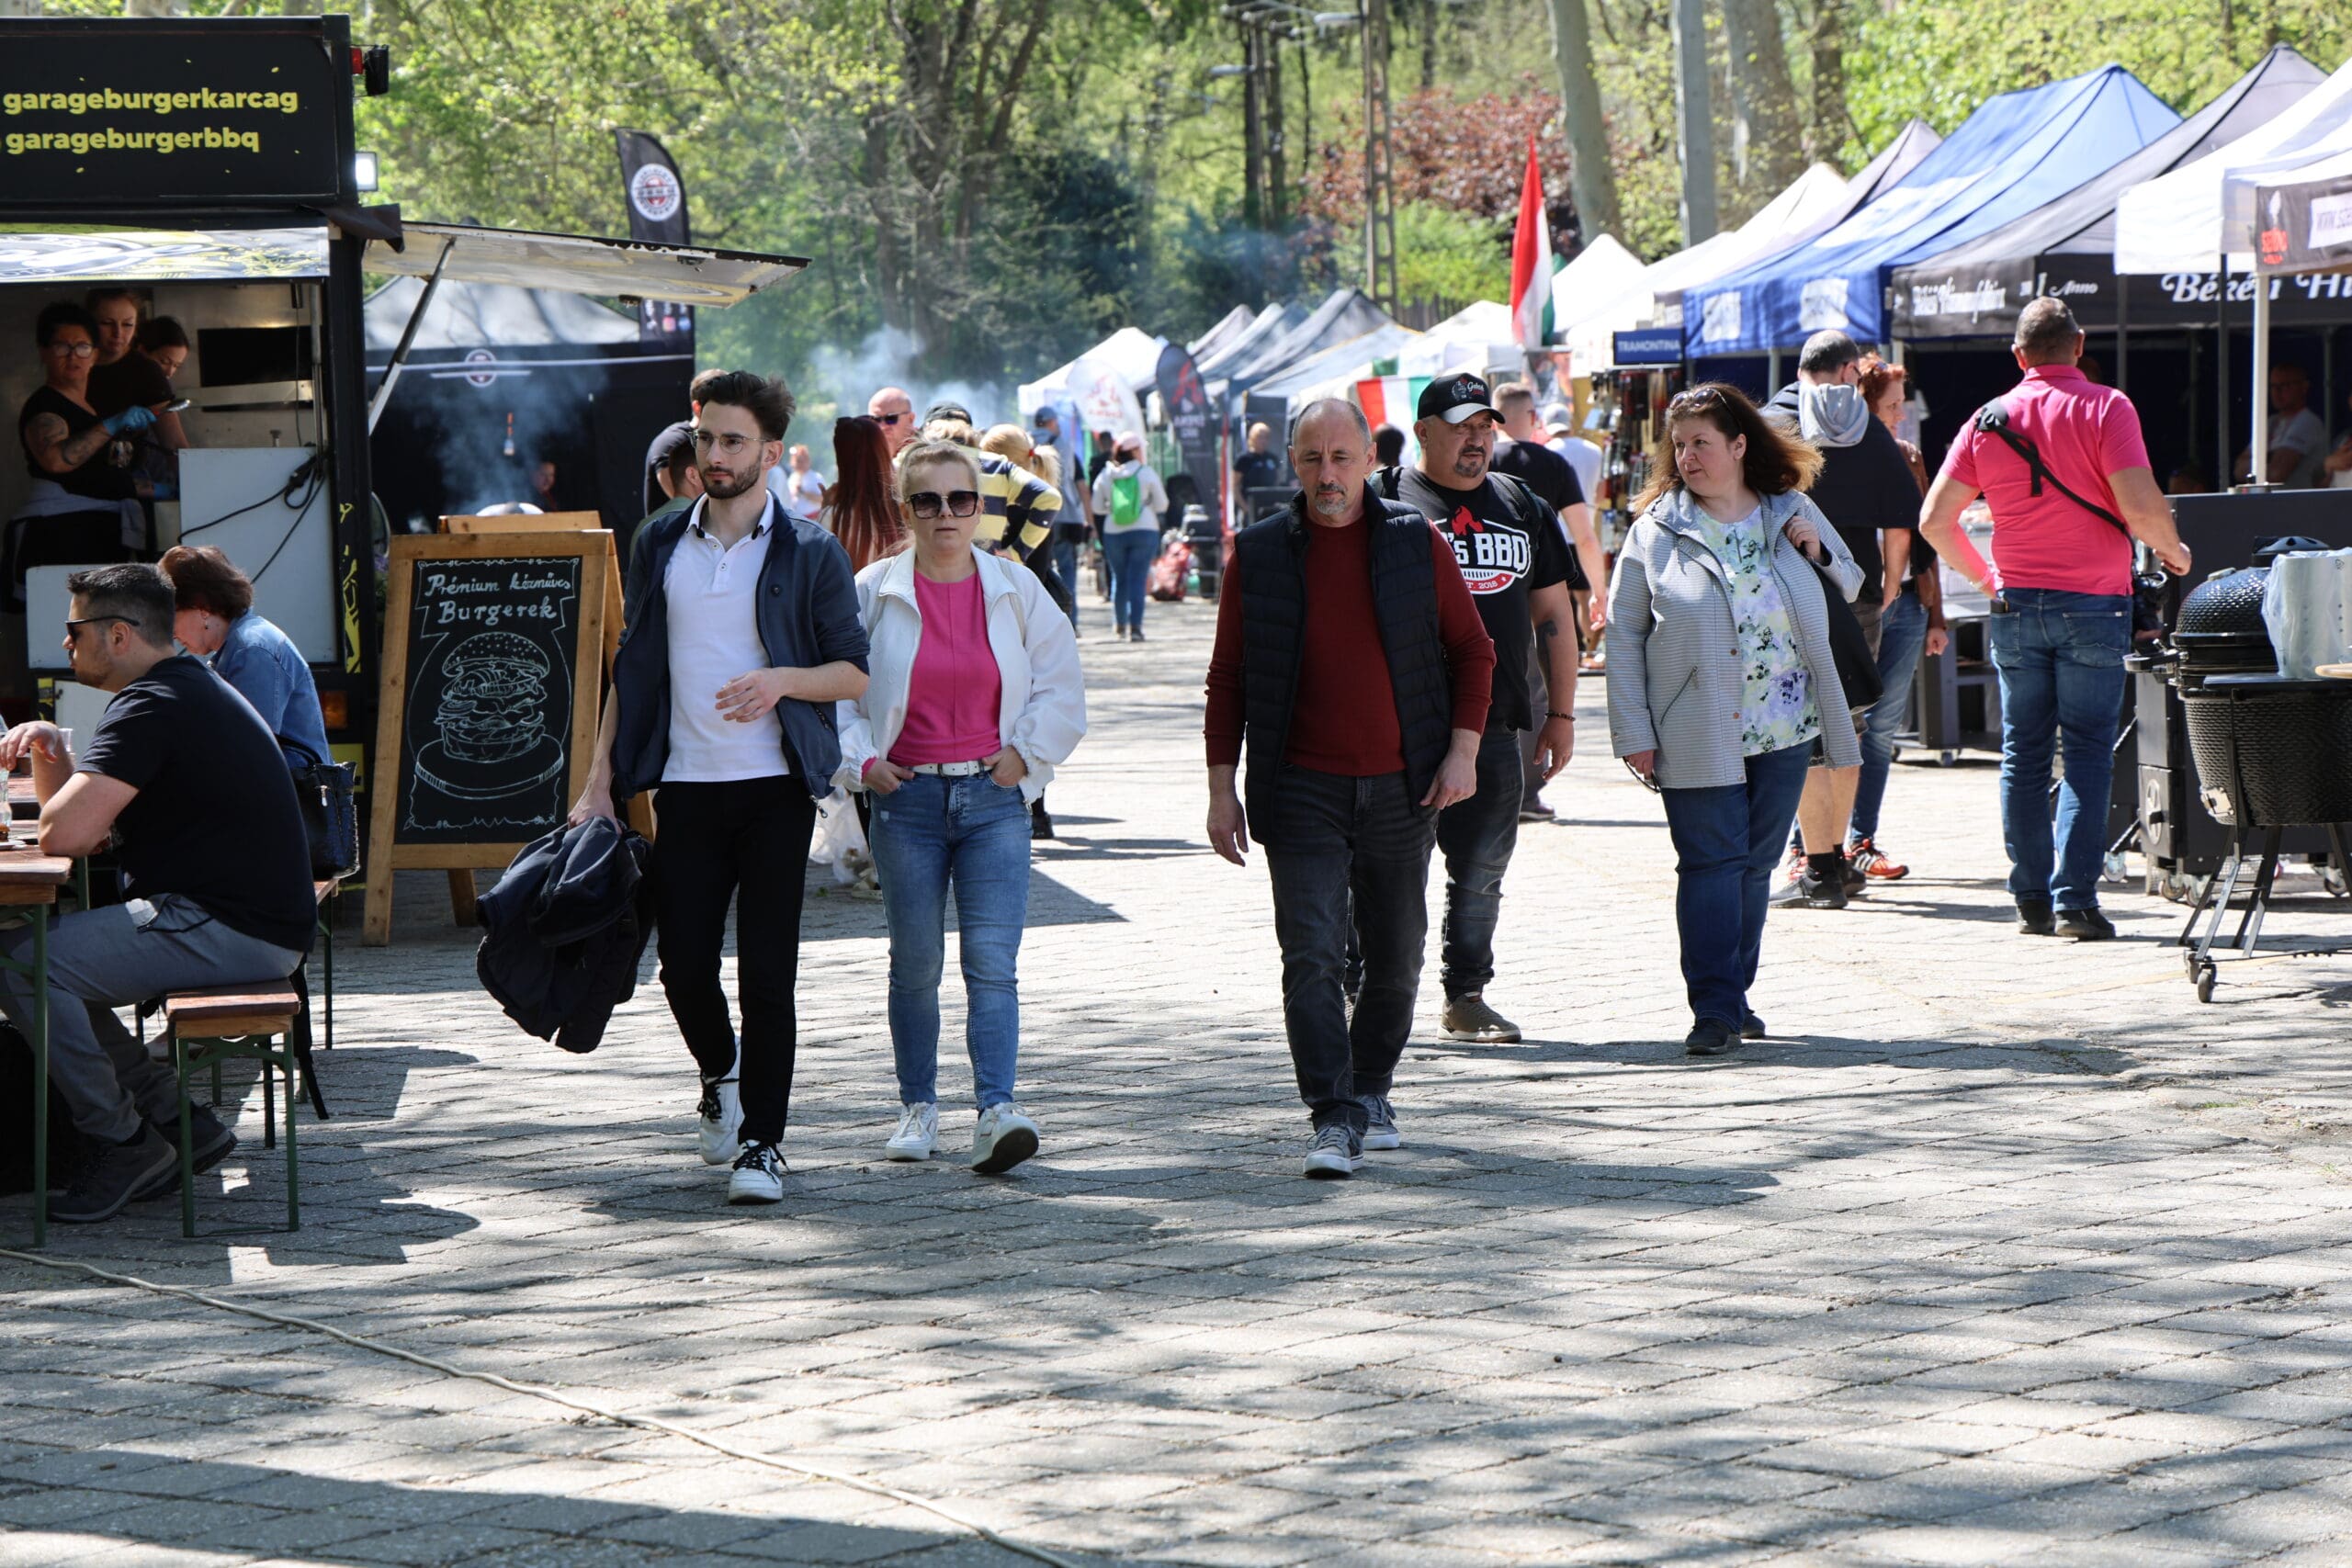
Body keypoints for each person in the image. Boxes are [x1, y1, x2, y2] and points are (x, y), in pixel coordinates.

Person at [569, 371, 870, 1206]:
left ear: (772, 453)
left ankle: (763, 1144)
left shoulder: (810, 550)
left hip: (774, 791)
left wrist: (780, 680)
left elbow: (853, 673)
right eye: (706, 438)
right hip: (686, 789)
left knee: (769, 976)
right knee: (683, 968)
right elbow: (633, 670)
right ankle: (721, 1071)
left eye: (734, 441)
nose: (716, 455)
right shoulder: (660, 540)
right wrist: (598, 783)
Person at [1204, 399, 1495, 1179]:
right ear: (1292, 465)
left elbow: (1474, 650)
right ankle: (1332, 1113)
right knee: (1312, 954)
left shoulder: (1415, 540)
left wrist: (1463, 751)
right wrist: (1221, 788)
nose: (1327, 475)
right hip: (1299, 787)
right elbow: (1228, 677)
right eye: (1311, 459)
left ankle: (1370, 1089)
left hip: (1405, 787)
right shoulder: (1258, 553)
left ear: (1370, 459)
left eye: (1341, 457)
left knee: (1397, 957)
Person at [0, 564, 315, 1223]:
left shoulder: (153, 704)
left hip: (231, 926)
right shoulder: (182, 686)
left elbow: (66, 835)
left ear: (118, 634)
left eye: (74, 630)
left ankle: (122, 1142)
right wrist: (51, 751)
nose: (65, 644)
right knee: (43, 957)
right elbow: (88, 833)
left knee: (23, 960)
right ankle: (173, 1116)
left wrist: (55, 780)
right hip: (253, 920)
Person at [837, 439, 1087, 1175]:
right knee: (915, 964)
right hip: (906, 801)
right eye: (928, 500)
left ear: (980, 507)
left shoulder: (1015, 587)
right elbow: (836, 693)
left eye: (960, 499)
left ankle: (996, 1110)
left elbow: (1061, 681)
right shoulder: (872, 589)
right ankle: (917, 1105)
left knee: (992, 964)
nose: (945, 514)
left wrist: (1026, 755)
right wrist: (865, 763)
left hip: (993, 799)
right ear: (905, 508)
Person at [1919, 299, 2191, 942]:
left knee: (2024, 752)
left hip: (2015, 604)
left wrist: (1987, 579)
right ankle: (2076, 903)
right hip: (2094, 603)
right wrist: (2175, 552)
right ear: (2079, 344)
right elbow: (2139, 505)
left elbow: (1934, 520)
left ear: (2018, 355)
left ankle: (2031, 899)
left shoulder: (1987, 419)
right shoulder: (2107, 407)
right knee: (2088, 751)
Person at [1607, 384, 1862, 1057]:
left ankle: (1734, 995)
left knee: (1753, 866)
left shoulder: (1790, 508)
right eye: (1679, 445)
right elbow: (1623, 634)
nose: (1687, 457)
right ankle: (1715, 1008)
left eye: (1702, 443)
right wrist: (1633, 730)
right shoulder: (1656, 530)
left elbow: (1852, 579)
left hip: (1786, 724)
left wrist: (1818, 551)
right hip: (1694, 726)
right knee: (1710, 864)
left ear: (1740, 445)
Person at [1382, 374, 1578, 1044]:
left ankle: (1465, 996)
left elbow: (1554, 616)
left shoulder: (1522, 503)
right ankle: (1363, 989)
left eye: (1484, 427)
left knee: (1482, 874)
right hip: (1399, 724)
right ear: (1423, 431)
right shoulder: (1384, 499)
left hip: (1496, 722)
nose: (1475, 439)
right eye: (1460, 426)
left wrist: (1561, 716)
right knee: (1383, 869)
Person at [1762, 331, 1924, 909]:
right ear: (1851, 371)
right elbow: (1901, 523)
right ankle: (1837, 858)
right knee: (1848, 725)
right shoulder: (1869, 429)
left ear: (1801, 369)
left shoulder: (1769, 424)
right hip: (1858, 594)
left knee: (1799, 727)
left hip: (1788, 595)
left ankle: (1819, 867)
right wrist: (1889, 587)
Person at [1841, 358, 1950, 884]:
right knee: (1835, 726)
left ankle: (1861, 840)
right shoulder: (1835, 457)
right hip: (1854, 606)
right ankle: (1810, 846)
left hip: (1906, 605)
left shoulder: (1908, 456)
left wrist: (1936, 615)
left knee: (1882, 729)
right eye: (1892, 405)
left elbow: (1925, 540)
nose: (1901, 414)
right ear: (1864, 405)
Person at [1490, 381, 1601, 826]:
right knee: (1534, 689)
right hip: (1539, 588)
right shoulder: (1552, 463)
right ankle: (1525, 792)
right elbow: (1584, 534)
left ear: (1494, 417)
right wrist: (1599, 590)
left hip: (1483, 589)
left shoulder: (1478, 459)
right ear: (1532, 416)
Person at [12, 303, 147, 609]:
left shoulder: (88, 407)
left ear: (95, 354)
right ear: (44, 352)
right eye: (62, 347)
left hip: (99, 537)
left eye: (82, 347)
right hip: (60, 537)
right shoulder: (45, 405)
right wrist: (110, 425)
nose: (73, 356)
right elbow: (55, 460)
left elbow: (95, 477)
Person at [156, 544, 331, 768]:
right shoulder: (241, 646)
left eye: (171, 617)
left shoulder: (252, 650)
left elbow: (249, 751)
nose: (171, 632)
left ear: (202, 608)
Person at [1090, 431, 1170, 642]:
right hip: (1145, 529)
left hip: (1113, 532)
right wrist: (1145, 506)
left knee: (1120, 578)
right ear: (1134, 450)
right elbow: (1162, 504)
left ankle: (1119, 625)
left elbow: (1096, 507)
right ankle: (1136, 628)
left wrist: (1113, 510)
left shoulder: (1106, 474)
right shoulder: (1146, 473)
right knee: (1137, 578)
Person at [820, 414, 903, 572]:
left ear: (841, 460)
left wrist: (826, 508)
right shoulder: (906, 511)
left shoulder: (832, 518)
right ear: (882, 451)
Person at [1032, 407, 1090, 631]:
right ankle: (1069, 622)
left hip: (1033, 516)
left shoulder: (1024, 442)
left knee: (1037, 573)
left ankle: (1043, 626)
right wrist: (1087, 519)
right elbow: (1076, 482)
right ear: (1052, 422)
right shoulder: (1063, 445)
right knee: (1067, 570)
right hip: (1064, 515)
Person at [2236, 362, 2329, 488]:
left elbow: (2277, 473)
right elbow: (2238, 470)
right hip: (2268, 498)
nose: (2277, 391)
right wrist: (2271, 460)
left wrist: (2258, 461)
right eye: (2273, 386)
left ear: (2304, 387)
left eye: (2285, 386)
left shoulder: (2308, 422)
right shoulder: (2270, 422)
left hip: (2298, 498)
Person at [1232, 420, 1283, 525]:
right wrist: (1245, 508)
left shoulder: (1272, 459)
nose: (1263, 440)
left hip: (1270, 510)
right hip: (1251, 509)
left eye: (1266, 437)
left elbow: (1278, 481)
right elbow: (1235, 486)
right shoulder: (1244, 459)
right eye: (1260, 437)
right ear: (1252, 438)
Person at [868, 386, 918, 457]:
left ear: (911, 419)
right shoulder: (865, 451)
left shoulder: (926, 452)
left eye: (891, 418)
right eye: (876, 420)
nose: (882, 427)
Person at [784, 443, 827, 519]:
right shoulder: (792, 478)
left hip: (813, 519)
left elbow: (823, 499)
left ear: (808, 461)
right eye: (797, 461)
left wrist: (802, 492)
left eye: (801, 461)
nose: (798, 464)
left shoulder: (816, 478)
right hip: (796, 518)